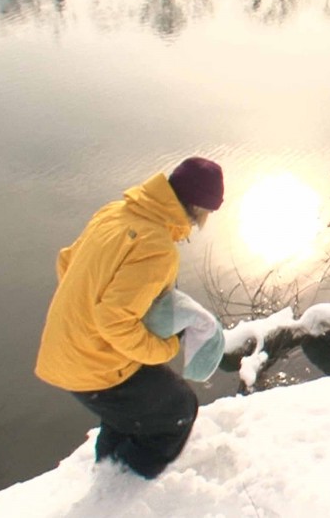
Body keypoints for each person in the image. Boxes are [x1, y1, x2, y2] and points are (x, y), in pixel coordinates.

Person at [35, 157, 225, 478]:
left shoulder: (116, 212)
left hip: (63, 349)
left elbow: (67, 262)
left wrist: (86, 314)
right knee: (178, 409)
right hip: (94, 365)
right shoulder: (158, 247)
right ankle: (124, 488)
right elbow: (113, 321)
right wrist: (163, 350)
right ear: (197, 208)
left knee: (133, 411)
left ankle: (108, 471)